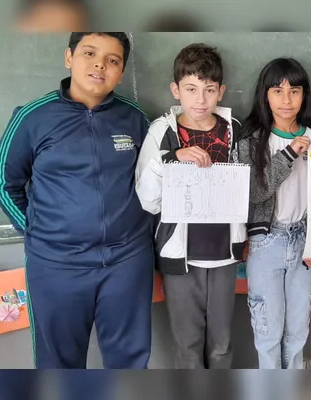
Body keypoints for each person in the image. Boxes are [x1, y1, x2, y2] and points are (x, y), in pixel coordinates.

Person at [0, 32, 153, 369]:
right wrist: (39, 234)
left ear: (121, 72)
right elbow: (4, 184)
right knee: (58, 365)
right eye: (89, 53)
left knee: (130, 361)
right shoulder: (33, 117)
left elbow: (157, 180)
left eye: (113, 60)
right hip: (56, 266)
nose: (100, 65)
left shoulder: (136, 118)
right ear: (69, 58)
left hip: (127, 261)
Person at [135, 43, 245, 369]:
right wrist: (172, 158)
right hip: (179, 254)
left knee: (223, 344)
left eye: (209, 90)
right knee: (188, 344)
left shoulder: (233, 130)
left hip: (224, 253)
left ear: (221, 91)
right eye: (191, 89)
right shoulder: (162, 132)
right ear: (176, 89)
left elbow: (244, 188)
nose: (200, 100)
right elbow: (146, 199)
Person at [236, 57, 311, 369]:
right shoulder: (251, 139)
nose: (286, 100)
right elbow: (254, 193)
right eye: (277, 91)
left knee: (297, 330)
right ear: (265, 95)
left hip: (305, 241)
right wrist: (289, 153)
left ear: (305, 95)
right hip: (267, 243)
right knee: (268, 330)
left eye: (295, 91)